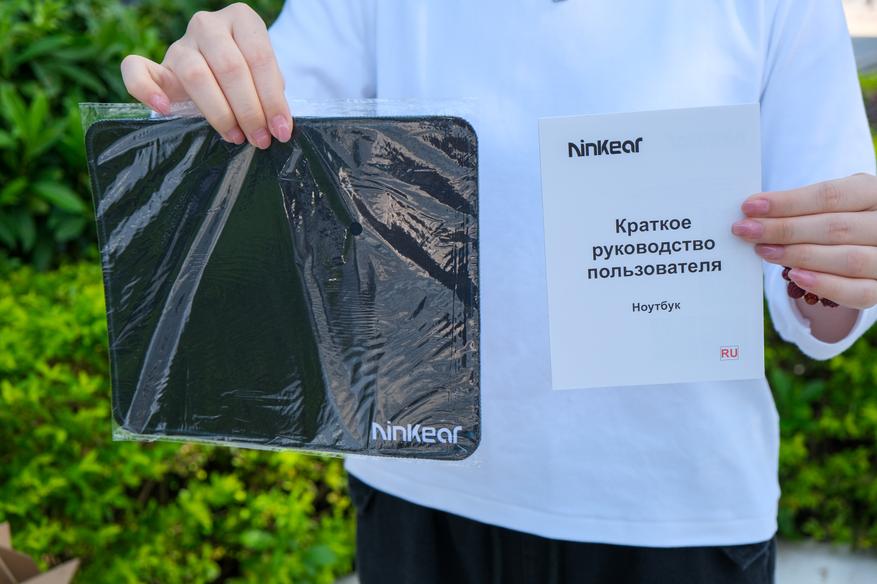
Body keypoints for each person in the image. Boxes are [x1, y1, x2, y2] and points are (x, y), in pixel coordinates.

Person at [121, 2, 877, 582]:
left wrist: (829, 277)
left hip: (675, 510)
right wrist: (209, 83)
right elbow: (261, 137)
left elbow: (823, 286)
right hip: (424, 483)